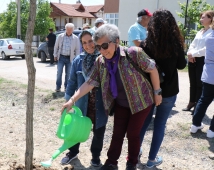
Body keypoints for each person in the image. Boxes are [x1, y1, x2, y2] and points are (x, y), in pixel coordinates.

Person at [62, 24, 162, 170]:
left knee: (133, 134)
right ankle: (111, 163)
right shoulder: (100, 62)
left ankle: (131, 164)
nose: (102, 51)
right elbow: (89, 83)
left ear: (116, 41)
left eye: (104, 45)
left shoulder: (134, 53)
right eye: (98, 47)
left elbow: (152, 69)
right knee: (117, 134)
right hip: (121, 103)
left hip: (141, 102)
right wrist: (72, 100)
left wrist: (157, 92)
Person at [139, 9, 187, 168]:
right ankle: (152, 160)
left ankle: (135, 152)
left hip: (149, 90)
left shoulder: (146, 44)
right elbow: (181, 65)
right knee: (160, 125)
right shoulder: (176, 44)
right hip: (169, 91)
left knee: (143, 123)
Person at [60, 29, 107, 167]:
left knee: (99, 132)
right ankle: (72, 152)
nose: (88, 45)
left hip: (100, 105)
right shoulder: (78, 61)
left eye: (91, 41)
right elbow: (72, 83)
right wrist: (68, 100)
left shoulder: (105, 59)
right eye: (84, 43)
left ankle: (95, 157)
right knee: (76, 129)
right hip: (82, 103)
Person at [183, 10, 214, 112]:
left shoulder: (212, 33)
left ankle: (197, 104)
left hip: (202, 60)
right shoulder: (200, 31)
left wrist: (193, 54)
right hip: (193, 59)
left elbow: (207, 49)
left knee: (200, 84)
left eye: (204, 17)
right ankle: (191, 102)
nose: (201, 19)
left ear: (210, 19)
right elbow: (192, 44)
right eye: (201, 17)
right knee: (192, 82)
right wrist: (189, 53)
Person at [190, 10, 214, 138]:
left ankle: (195, 125)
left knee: (203, 100)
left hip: (209, 73)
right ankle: (212, 131)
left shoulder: (210, 37)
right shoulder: (206, 34)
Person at [54, 23, 80, 92]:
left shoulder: (76, 38)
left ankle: (66, 87)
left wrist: (76, 58)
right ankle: (58, 87)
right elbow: (56, 46)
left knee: (68, 74)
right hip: (61, 57)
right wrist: (55, 55)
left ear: (73, 30)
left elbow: (77, 49)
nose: (69, 31)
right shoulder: (60, 36)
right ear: (65, 29)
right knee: (59, 72)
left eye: (70, 30)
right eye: (68, 29)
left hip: (70, 58)